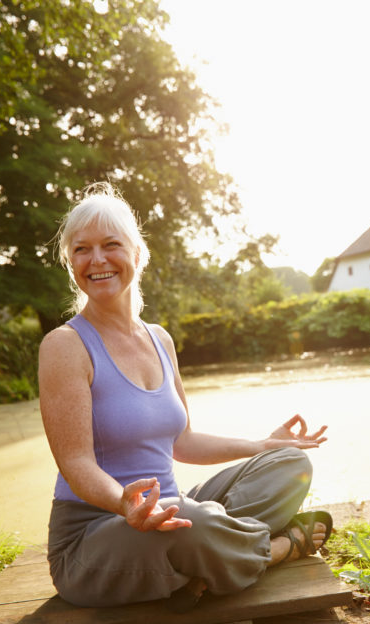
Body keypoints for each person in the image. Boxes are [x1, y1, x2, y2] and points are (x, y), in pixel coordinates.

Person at [38, 182, 332, 610]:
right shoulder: (64, 346)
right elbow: (76, 463)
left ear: (137, 254)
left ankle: (204, 562)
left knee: (290, 464)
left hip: (173, 514)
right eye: (81, 249)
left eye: (110, 244)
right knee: (193, 519)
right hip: (93, 541)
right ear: (70, 263)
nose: (97, 259)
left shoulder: (159, 339)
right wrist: (125, 502)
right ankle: (277, 550)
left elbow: (183, 441)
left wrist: (263, 445)